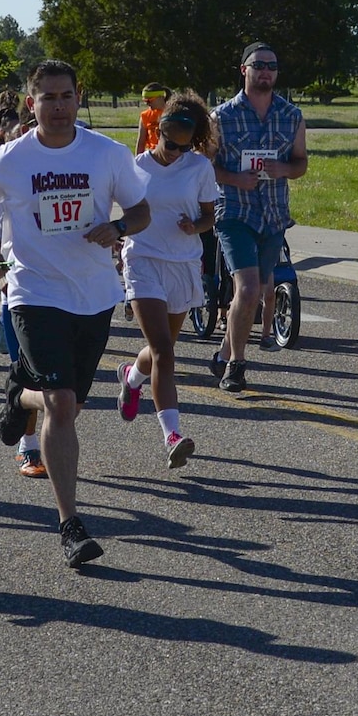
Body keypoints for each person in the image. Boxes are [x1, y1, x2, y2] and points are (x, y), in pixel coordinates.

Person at [0, 59, 151, 567]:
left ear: (78, 96)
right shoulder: (10, 158)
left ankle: (19, 397)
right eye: (48, 97)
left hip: (93, 295)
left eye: (67, 96)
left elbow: (141, 210)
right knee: (63, 404)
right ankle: (71, 524)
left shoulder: (107, 154)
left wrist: (119, 228)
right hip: (32, 289)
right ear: (31, 103)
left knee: (66, 402)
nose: (59, 106)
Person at [116, 93, 217, 467]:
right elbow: (124, 214)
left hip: (183, 262)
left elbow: (210, 216)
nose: (176, 152)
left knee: (162, 349)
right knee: (164, 351)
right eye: (171, 144)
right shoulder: (135, 167)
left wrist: (197, 226)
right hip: (142, 258)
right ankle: (171, 434)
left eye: (184, 146)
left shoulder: (199, 168)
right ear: (157, 131)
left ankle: (131, 376)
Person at [208, 42, 309, 392]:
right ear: (244, 70)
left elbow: (300, 164)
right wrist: (235, 178)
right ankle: (236, 366)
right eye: (258, 65)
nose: (265, 71)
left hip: (273, 215)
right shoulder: (221, 116)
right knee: (248, 288)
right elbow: (205, 165)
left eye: (272, 66)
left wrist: (283, 168)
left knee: (257, 292)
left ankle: (222, 354)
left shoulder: (291, 116)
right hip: (235, 212)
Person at [135, 85, 170, 155]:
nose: (147, 103)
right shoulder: (145, 116)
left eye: (150, 100)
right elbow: (141, 143)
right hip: (152, 155)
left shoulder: (172, 113)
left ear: (161, 97)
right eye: (145, 101)